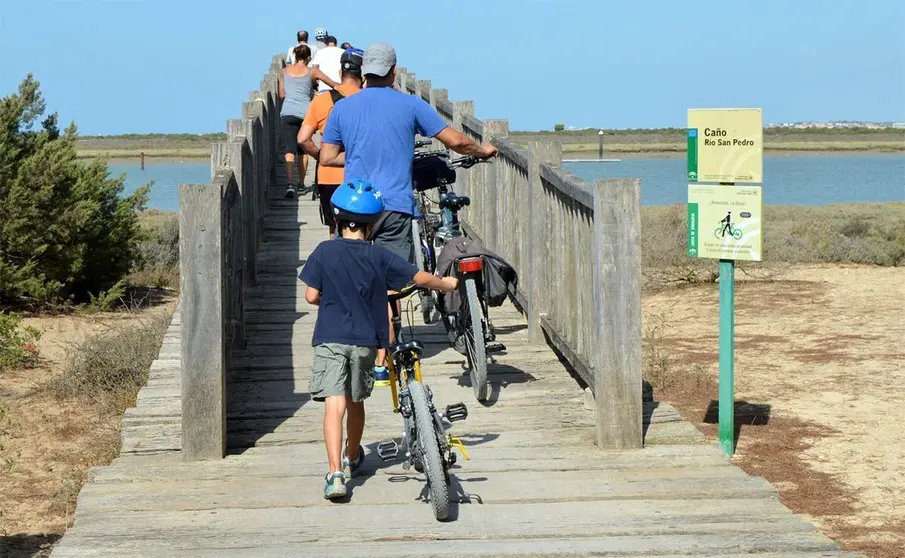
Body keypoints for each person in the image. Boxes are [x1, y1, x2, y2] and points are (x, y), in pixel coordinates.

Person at [320, 41, 498, 381]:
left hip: (354, 207)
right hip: (395, 206)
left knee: (360, 275)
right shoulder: (410, 105)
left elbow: (327, 157)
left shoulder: (343, 109)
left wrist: (358, 158)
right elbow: (455, 142)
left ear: (363, 73)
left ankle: (364, 347)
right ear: (393, 71)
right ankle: (384, 357)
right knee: (389, 280)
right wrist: (483, 149)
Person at [300, 179, 458, 499]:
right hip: (365, 341)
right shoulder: (379, 256)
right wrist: (447, 284)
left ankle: (334, 473)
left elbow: (310, 296)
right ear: (372, 227)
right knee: (355, 400)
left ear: (337, 220)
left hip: (330, 336)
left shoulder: (324, 251)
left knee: (335, 403)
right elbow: (418, 277)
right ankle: (353, 454)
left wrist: (331, 299)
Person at [298, 48, 364, 237]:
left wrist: (321, 155)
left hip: (329, 177)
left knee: (335, 229)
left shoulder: (322, 101)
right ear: (363, 75)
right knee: (366, 228)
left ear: (340, 74)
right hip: (362, 174)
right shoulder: (369, 100)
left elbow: (302, 139)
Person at [279, 44, 339, 198]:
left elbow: (281, 94)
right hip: (305, 114)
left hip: (287, 112)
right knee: (303, 150)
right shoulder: (313, 71)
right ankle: (301, 184)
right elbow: (333, 84)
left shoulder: (284, 72)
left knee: (289, 149)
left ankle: (289, 184)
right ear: (308, 58)